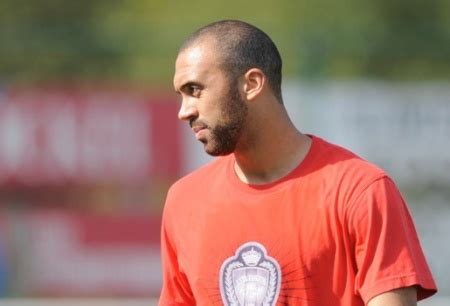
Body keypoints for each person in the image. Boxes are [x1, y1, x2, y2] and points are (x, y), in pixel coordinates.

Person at [159, 20, 437, 306]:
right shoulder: (184, 202)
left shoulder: (361, 191)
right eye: (180, 94)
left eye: (195, 90)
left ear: (251, 84)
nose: (184, 111)